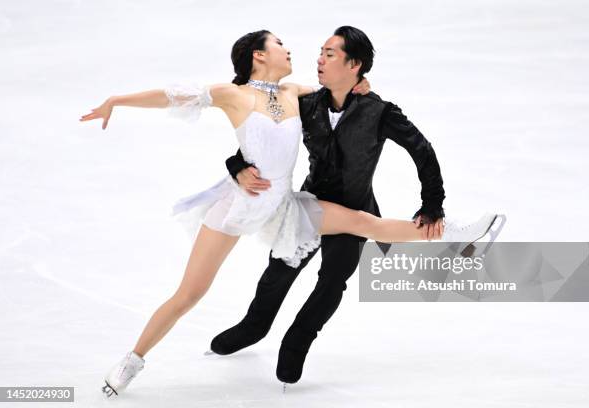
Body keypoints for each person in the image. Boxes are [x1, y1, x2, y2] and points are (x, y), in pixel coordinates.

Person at [79, 28, 494, 398]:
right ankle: (132, 360)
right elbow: (172, 96)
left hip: (284, 206)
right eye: (279, 44)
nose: (291, 49)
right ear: (259, 55)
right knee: (190, 293)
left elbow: (343, 90)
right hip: (238, 207)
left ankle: (453, 232)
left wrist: (361, 83)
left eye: (323, 52)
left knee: (365, 223)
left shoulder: (296, 93)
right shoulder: (233, 94)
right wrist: (117, 100)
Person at [208, 26, 505, 385]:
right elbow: (262, 139)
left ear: (355, 65)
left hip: (355, 210)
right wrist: (236, 165)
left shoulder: (378, 111)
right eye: (321, 52)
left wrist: (432, 205)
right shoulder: (306, 104)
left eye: (330, 54)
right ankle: (253, 327)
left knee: (333, 281)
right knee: (279, 273)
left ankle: (297, 341)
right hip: (309, 204)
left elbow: (422, 151)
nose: (319, 59)